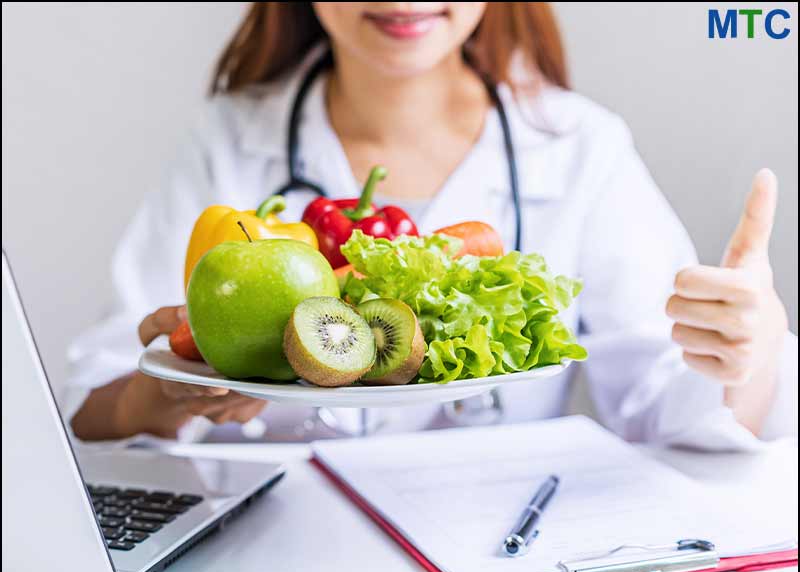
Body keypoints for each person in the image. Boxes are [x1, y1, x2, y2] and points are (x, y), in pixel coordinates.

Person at [66, 2, 797, 447]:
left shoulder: (580, 148)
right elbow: (91, 408)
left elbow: (671, 407)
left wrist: (750, 352)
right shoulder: (228, 139)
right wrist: (162, 394)